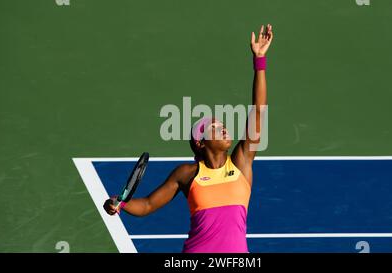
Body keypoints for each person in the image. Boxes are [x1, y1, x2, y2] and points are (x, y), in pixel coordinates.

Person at [104, 24, 274, 253]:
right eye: (215, 127)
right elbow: (147, 205)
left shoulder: (241, 164)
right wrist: (119, 203)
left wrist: (259, 62)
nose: (224, 129)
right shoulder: (187, 173)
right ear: (200, 142)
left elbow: (258, 111)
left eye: (223, 125)